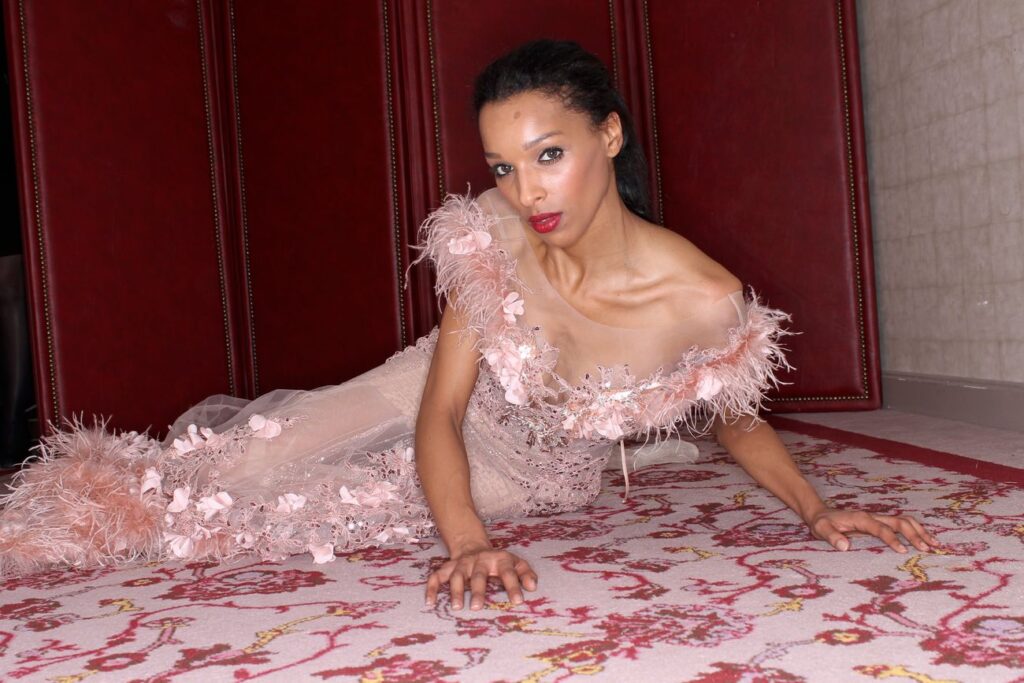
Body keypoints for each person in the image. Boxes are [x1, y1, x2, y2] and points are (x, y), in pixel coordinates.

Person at [0, 40, 938, 609]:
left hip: (528, 467)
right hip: (427, 390)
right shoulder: (494, 234)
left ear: (610, 135)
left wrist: (817, 508)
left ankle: (635, 447)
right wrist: (466, 541)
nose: (526, 192)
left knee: (278, 517)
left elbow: (735, 420)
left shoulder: (703, 298)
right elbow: (440, 409)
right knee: (232, 467)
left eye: (549, 155)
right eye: (502, 167)